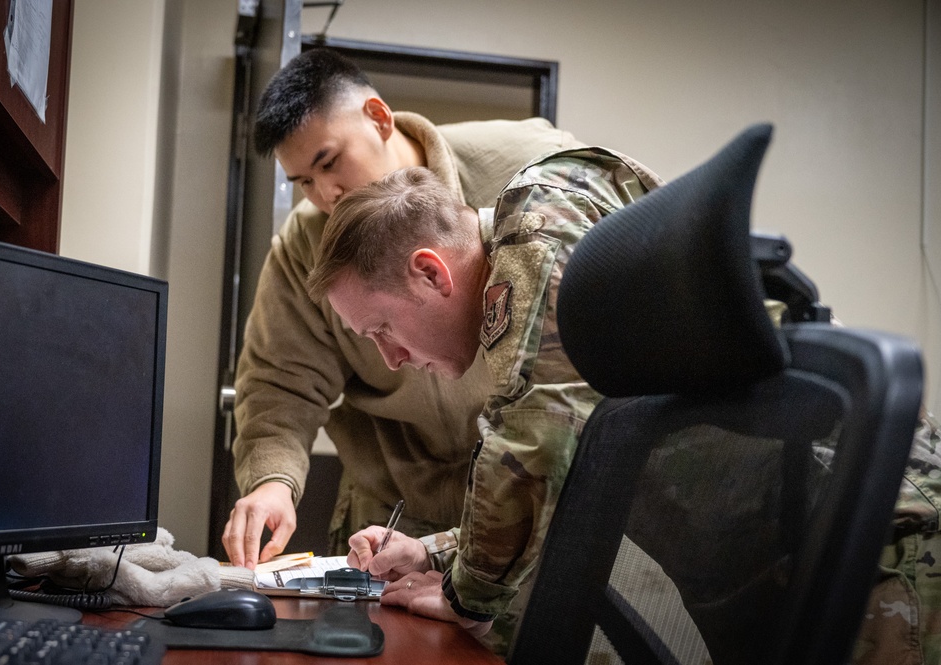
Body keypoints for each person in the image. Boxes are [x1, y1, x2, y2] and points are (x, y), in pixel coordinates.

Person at [222, 47, 587, 570]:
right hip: (393, 515)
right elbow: (279, 383)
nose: (326, 193)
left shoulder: (526, 163)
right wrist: (273, 482)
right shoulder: (304, 246)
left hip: (531, 488)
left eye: (329, 161)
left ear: (378, 117)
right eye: (304, 181)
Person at [306, 151, 662, 649]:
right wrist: (431, 555)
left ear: (431, 272)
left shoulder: (537, 219)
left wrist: (466, 596)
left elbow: (538, 431)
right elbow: (564, 471)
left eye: (382, 328)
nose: (389, 359)